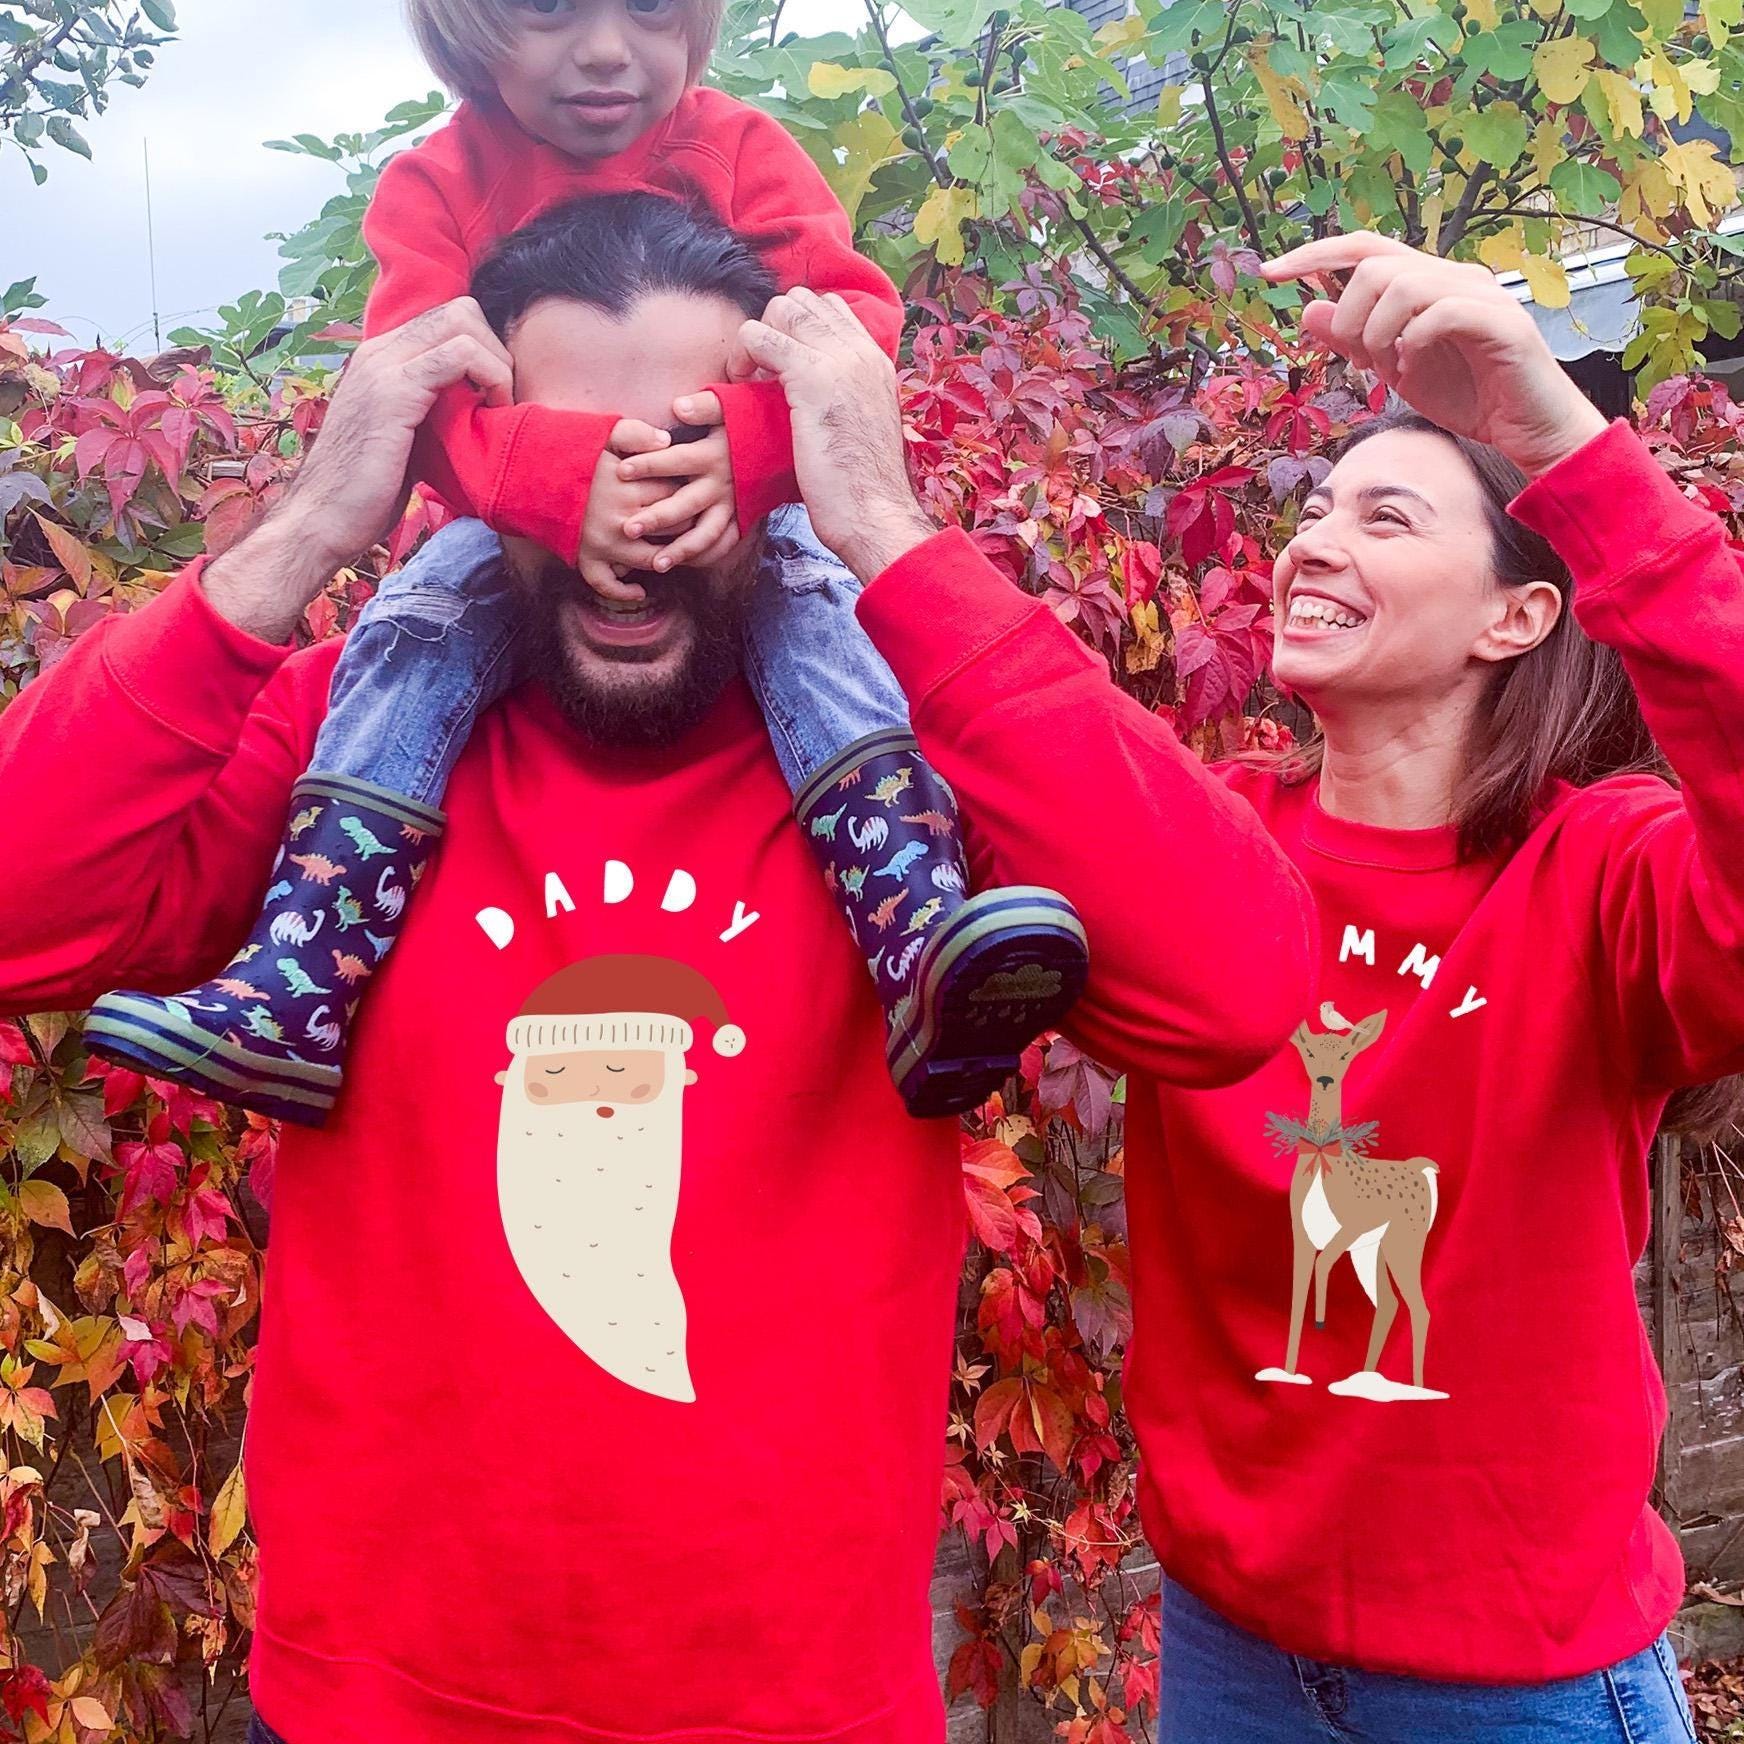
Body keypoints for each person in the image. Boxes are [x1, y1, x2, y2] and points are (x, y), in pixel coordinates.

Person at [0, 196, 1314, 1744]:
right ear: (483, 469)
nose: (632, 523)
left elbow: (1232, 988)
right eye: (568, 460)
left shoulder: (904, 766)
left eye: (693, 450)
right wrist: (301, 531)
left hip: (799, 1708)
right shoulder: (353, 745)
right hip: (378, 1706)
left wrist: (887, 529)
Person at [79, 0, 1089, 1123]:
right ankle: (304, 975)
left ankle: (912, 930)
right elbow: (422, 377)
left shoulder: (741, 149)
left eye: (652, 7)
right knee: (408, 633)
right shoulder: (436, 184)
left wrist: (746, 454)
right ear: (463, 25)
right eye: (552, 9)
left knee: (819, 614)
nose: (608, 49)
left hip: (750, 510)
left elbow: (846, 323)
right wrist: (561, 487)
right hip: (494, 524)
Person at [1124, 232, 1737, 1743]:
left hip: (1520, 1683)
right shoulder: (1210, 847)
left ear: (1514, 617)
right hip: (1224, 1653)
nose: (1313, 541)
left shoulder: (1602, 872)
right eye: (1315, 508)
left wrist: (1558, 446)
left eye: (1385, 517)